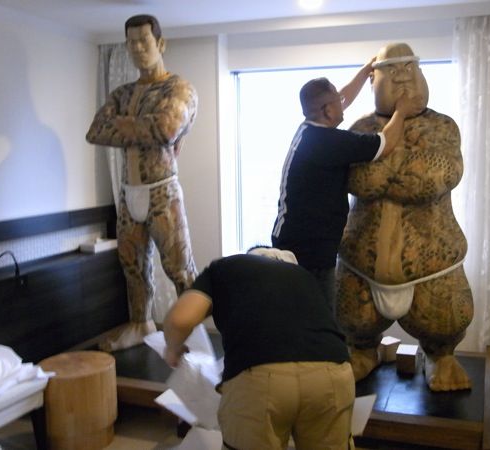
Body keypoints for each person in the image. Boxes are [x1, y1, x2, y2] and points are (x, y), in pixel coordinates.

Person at [336, 42, 473, 391]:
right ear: (373, 79)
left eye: (408, 70)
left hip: (433, 264)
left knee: (445, 321)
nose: (401, 79)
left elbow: (437, 177)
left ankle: (441, 357)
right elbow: (360, 180)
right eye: (391, 72)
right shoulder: (360, 127)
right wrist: (399, 167)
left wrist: (383, 166)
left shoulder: (443, 127)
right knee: (353, 318)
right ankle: (362, 351)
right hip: (360, 264)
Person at [163, 247, 355, 450]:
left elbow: (179, 320)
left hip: (262, 377)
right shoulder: (304, 276)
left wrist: (173, 350)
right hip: (333, 372)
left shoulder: (224, 267)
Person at [271, 60, 425, 312]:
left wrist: (366, 72)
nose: (342, 102)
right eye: (336, 101)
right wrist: (401, 111)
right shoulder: (327, 142)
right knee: (318, 317)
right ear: (326, 111)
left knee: (302, 315)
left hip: (292, 240)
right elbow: (384, 144)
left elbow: (342, 97)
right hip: (307, 251)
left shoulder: (310, 127)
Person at [86, 14, 198, 351]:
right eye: (131, 43)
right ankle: (141, 323)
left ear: (160, 44)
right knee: (132, 265)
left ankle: (195, 335)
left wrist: (122, 125)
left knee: (180, 268)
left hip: (162, 190)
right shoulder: (122, 93)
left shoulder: (179, 88)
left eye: (144, 41)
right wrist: (144, 125)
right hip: (129, 193)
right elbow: (95, 131)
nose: (137, 48)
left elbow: (166, 129)